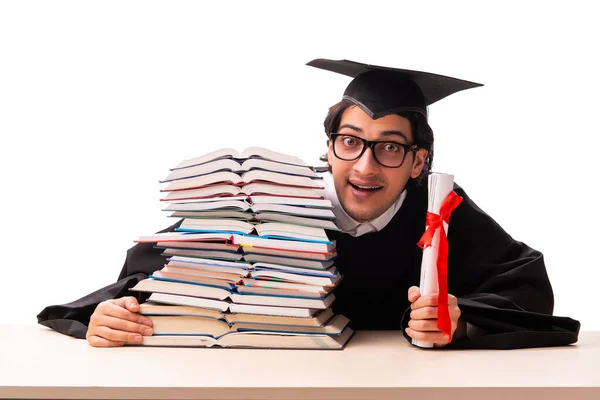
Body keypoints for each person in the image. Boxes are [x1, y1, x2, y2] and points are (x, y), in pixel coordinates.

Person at [37, 58, 580, 349]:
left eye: (390, 147)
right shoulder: (271, 199)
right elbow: (153, 273)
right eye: (350, 142)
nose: (365, 167)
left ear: (419, 163)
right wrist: (104, 318)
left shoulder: (439, 211)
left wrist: (460, 323)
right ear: (328, 147)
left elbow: (526, 285)